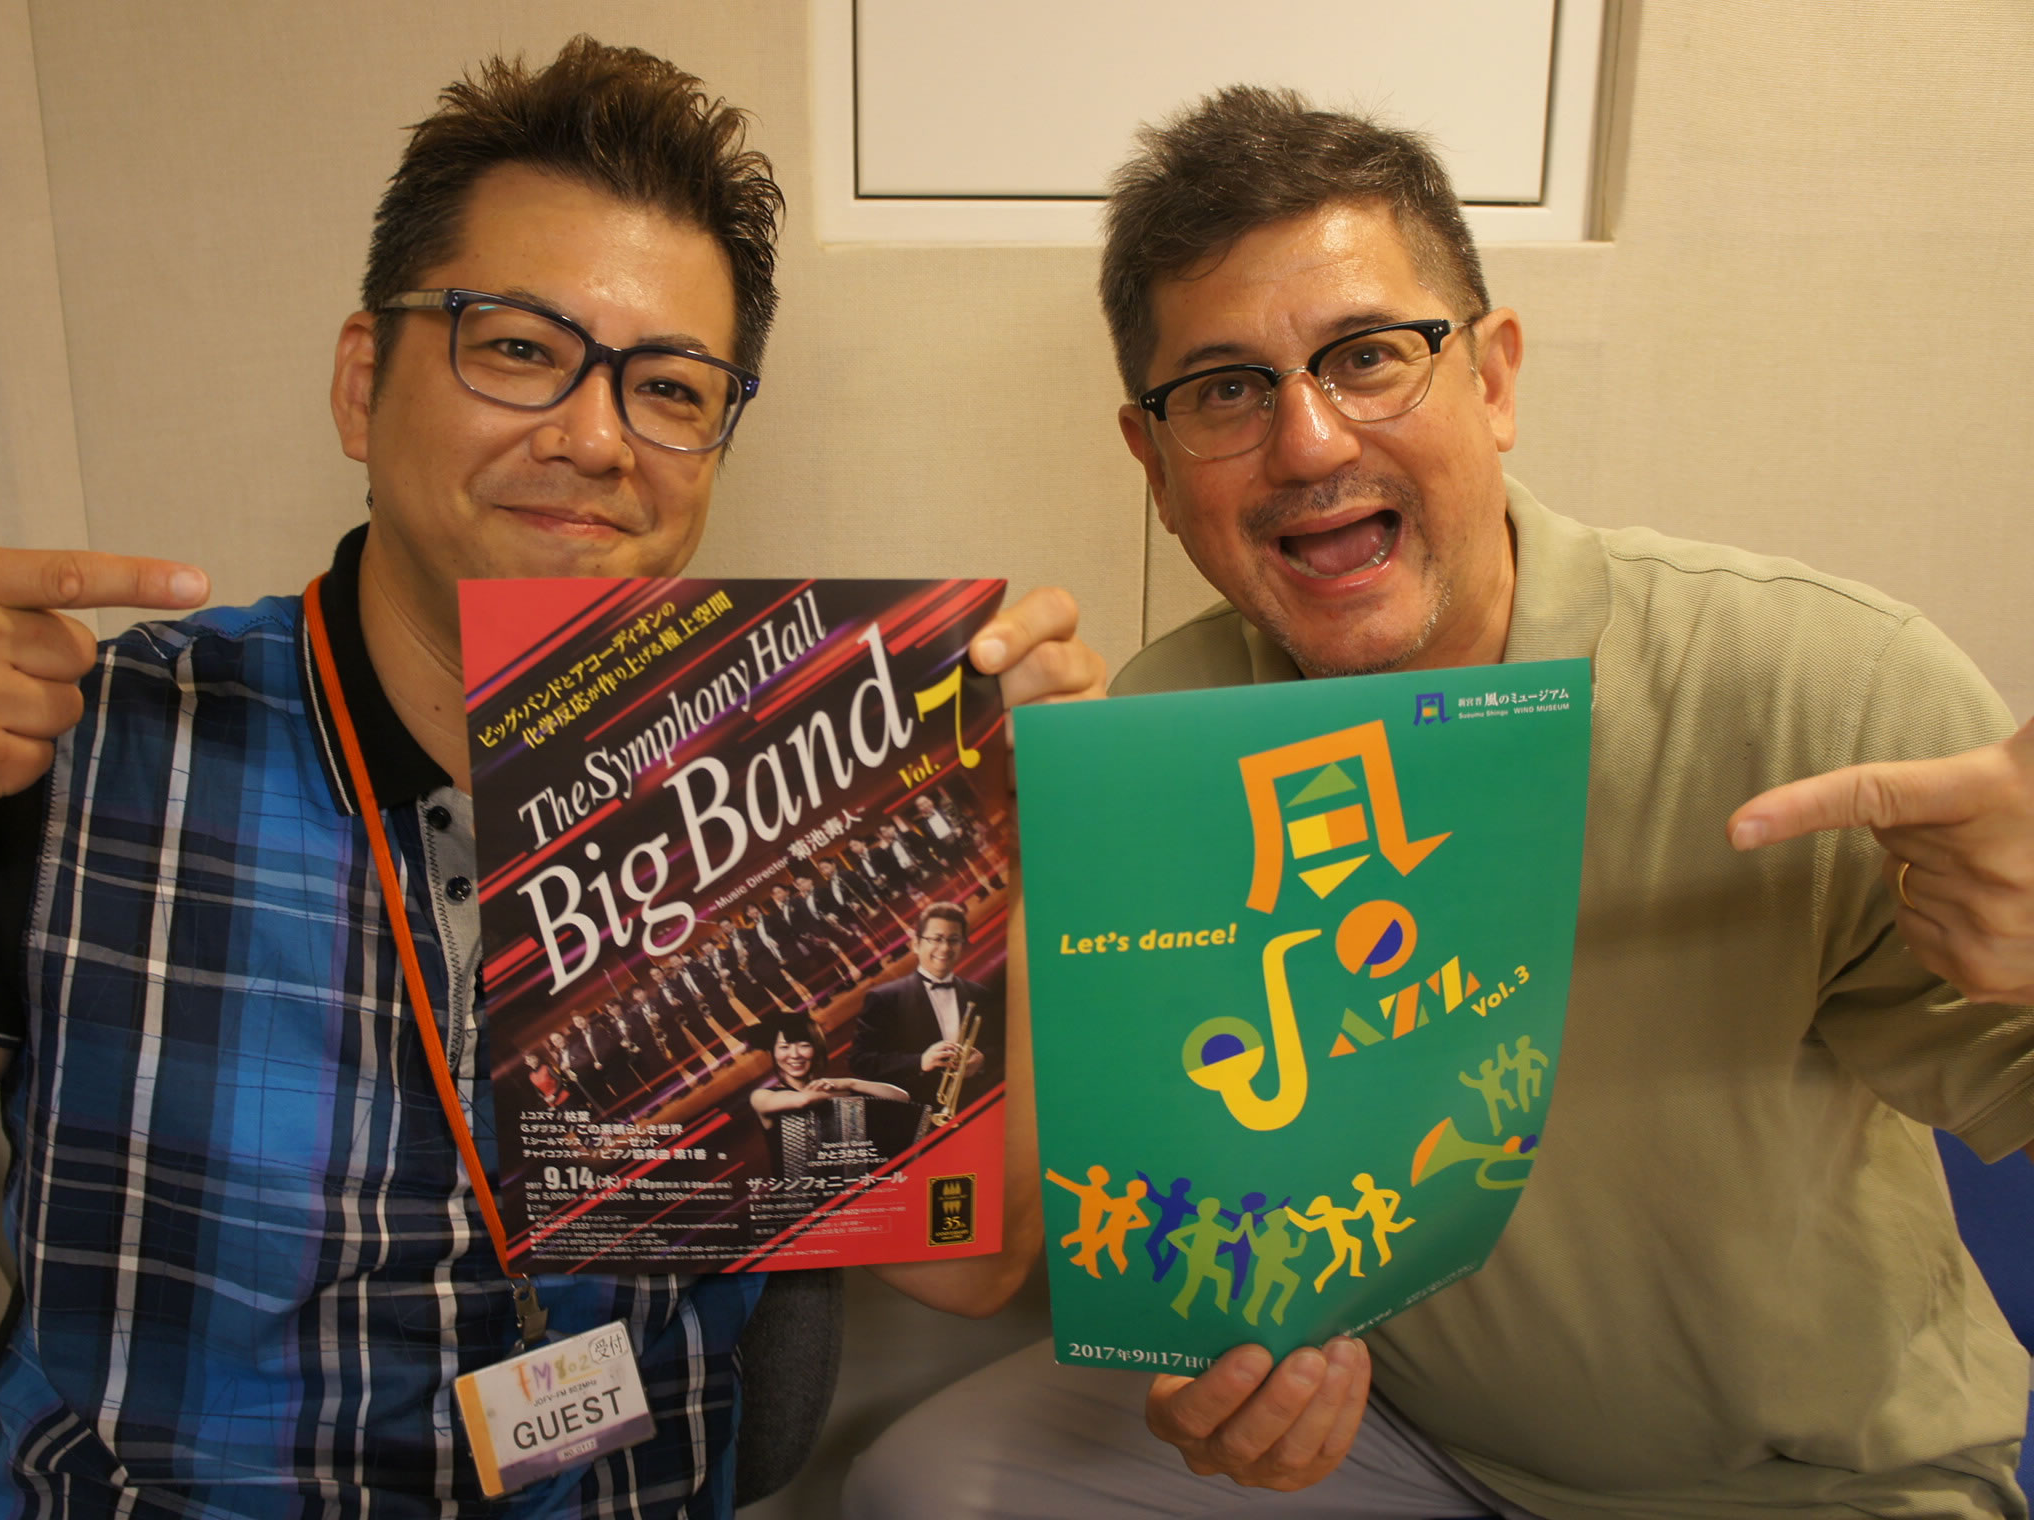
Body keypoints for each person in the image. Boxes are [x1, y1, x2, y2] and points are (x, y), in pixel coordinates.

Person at [0, 38, 1094, 1518]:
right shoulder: (81, 748)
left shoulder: (780, 781)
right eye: (516, 347)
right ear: (361, 383)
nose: (594, 437)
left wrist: (1004, 856)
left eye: (668, 385)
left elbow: (971, 1268)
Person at [846, 85, 2034, 1519]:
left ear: (1494, 378)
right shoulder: (1158, 734)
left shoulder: (1823, 688)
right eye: (1224, 390)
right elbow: (1038, 1239)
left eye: (1367, 357)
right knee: (927, 1485)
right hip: (1398, 1433)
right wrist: (1217, 1372)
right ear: (1152, 464)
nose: (1306, 442)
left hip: (1803, 1487)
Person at [848, 902, 1001, 1107]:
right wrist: (919, 1061)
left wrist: (983, 1061)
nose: (945, 948)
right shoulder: (883, 998)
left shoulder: (979, 994)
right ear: (916, 944)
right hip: (921, 1111)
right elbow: (860, 1061)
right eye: (936, 939)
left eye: (953, 940)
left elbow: (1005, 1046)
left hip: (980, 1105)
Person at [742, 1012, 909, 1182]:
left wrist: (851, 1083)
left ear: (816, 1048)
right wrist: (836, 1092)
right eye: (784, 1047)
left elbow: (902, 1098)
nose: (795, 1054)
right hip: (797, 1193)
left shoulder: (837, 1089)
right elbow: (802, 1100)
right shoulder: (762, 1096)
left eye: (804, 1045)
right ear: (773, 1052)